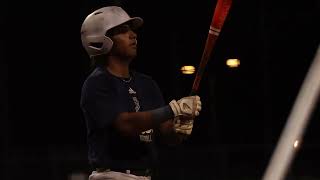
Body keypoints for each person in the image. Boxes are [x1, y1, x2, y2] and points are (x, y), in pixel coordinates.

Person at [80, 6, 202, 180]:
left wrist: (178, 128)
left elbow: (165, 134)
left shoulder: (147, 83)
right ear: (101, 39)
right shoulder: (97, 83)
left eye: (131, 29)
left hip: (146, 175)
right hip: (111, 175)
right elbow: (125, 125)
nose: (133, 35)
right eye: (122, 31)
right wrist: (173, 109)